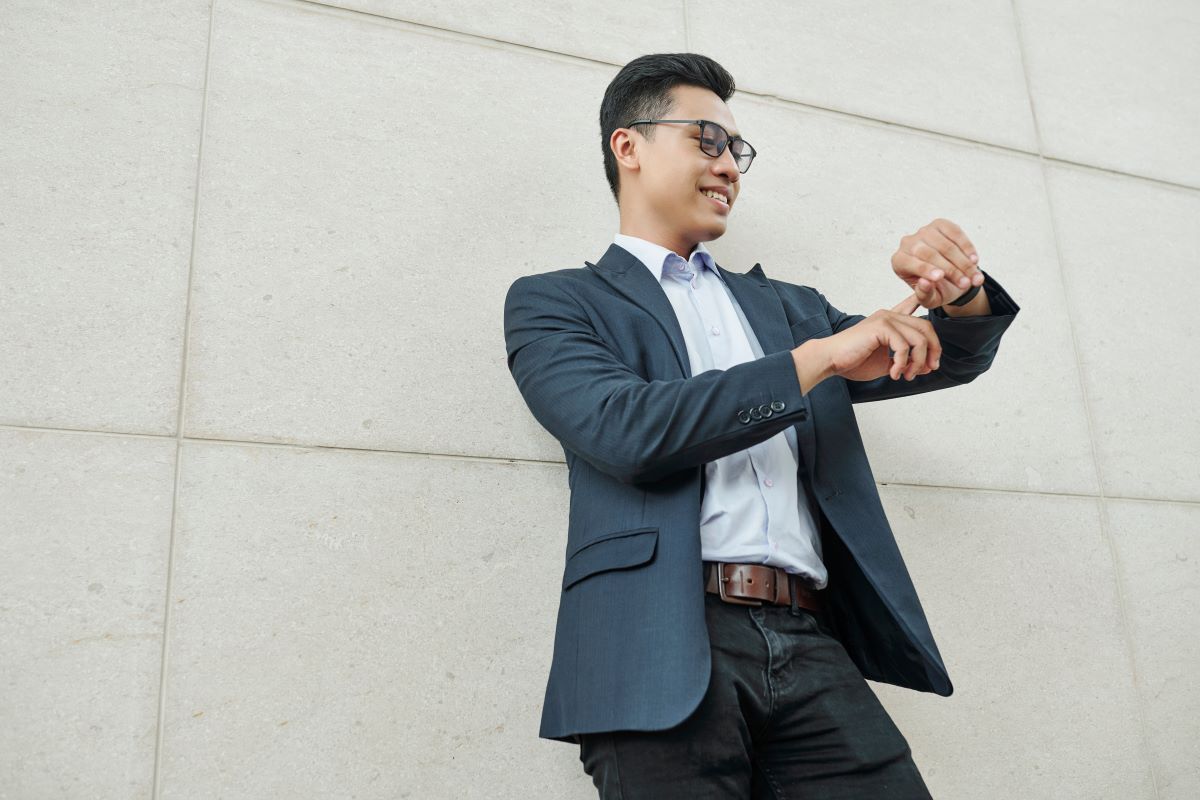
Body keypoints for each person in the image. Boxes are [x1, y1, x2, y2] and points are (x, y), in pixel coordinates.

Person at [502, 52, 1020, 799]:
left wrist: (959, 294)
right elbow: (623, 430)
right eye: (707, 140)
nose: (731, 167)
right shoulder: (557, 302)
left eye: (738, 150)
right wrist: (814, 362)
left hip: (811, 639)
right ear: (629, 146)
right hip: (658, 645)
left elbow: (948, 358)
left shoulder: (789, 308)